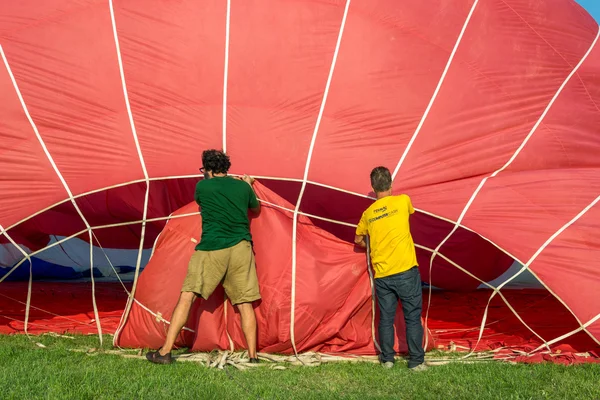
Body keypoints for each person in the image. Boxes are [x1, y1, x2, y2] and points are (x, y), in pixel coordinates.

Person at [146, 149, 262, 364]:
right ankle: (253, 357)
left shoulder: (202, 186)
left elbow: (203, 202)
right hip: (241, 248)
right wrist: (247, 184)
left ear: (207, 168)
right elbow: (256, 208)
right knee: (245, 303)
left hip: (211, 248)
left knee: (187, 296)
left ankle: (165, 352)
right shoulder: (243, 187)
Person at [354, 166, 427, 371]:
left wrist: (372, 244)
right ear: (391, 184)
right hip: (405, 270)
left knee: (385, 318)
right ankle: (416, 362)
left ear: (373, 187)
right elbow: (410, 214)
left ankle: (387, 359)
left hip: (383, 274)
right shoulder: (403, 201)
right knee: (412, 316)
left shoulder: (367, 214)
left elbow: (358, 239)